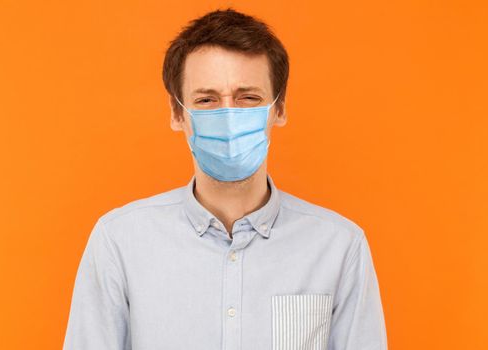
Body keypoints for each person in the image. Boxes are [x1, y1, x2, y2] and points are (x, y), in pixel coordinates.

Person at [63, 8, 388, 350]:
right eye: (207, 100)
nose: (229, 117)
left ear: (279, 109)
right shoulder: (118, 242)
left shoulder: (340, 247)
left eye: (248, 98)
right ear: (177, 113)